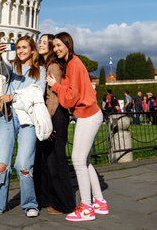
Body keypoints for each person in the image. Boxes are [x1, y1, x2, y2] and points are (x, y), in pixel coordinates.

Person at [47, 32, 108, 223]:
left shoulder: (73, 64)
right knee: (86, 161)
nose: (56, 49)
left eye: (59, 45)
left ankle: (86, 207)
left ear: (68, 44)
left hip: (88, 115)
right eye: (54, 46)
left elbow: (71, 97)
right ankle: (99, 201)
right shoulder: (74, 63)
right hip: (90, 114)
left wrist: (55, 86)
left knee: (78, 160)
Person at [0, 36, 46, 218]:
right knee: (0, 164)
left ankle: (29, 204)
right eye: (18, 47)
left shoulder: (39, 71)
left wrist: (15, 97)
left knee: (23, 165)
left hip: (28, 119)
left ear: (32, 50)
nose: (21, 50)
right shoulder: (13, 67)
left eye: (24, 47)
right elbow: (2, 69)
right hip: (8, 117)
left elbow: (38, 94)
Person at [34, 34, 75, 215]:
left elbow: (54, 98)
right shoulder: (43, 66)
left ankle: (64, 204)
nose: (40, 44)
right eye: (40, 42)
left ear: (51, 47)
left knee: (55, 162)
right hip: (47, 116)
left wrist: (47, 123)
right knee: (44, 160)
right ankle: (46, 199)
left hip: (54, 116)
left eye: (44, 42)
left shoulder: (53, 66)